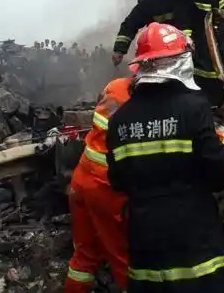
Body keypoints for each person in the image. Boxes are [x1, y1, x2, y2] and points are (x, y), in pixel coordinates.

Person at [106, 22, 224, 293]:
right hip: (192, 231)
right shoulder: (193, 108)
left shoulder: (119, 120)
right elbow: (216, 170)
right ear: (179, 62)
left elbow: (117, 181)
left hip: (144, 234)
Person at [65, 77, 132, 293]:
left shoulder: (115, 86)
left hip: (82, 178)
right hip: (106, 187)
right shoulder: (145, 101)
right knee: (125, 258)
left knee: (84, 256)